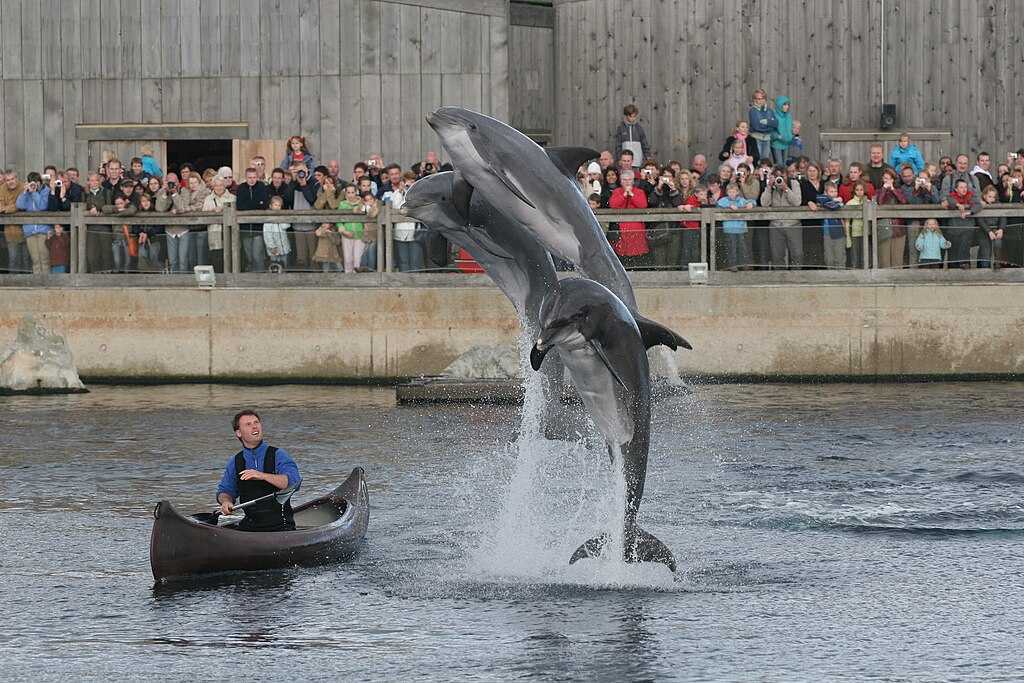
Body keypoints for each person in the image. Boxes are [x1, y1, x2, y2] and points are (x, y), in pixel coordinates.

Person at [216, 410, 300, 532]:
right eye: (248, 424)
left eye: (256, 422)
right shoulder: (235, 461)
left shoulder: (278, 455)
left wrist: (263, 476)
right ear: (239, 433)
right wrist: (226, 502)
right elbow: (225, 491)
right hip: (249, 527)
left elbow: (294, 483)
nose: (254, 426)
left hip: (281, 527)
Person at [759, 164, 802, 269]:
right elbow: (764, 203)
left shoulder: (794, 184)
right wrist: (769, 187)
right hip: (776, 225)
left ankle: (796, 276)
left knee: (797, 254)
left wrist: (786, 189)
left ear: (787, 175)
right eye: (777, 176)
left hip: (793, 224)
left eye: (782, 176)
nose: (779, 179)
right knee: (777, 256)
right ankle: (780, 277)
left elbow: (797, 202)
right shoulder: (771, 186)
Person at [608, 169, 650, 269]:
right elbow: (613, 205)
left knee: (637, 258)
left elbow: (643, 205)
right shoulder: (617, 192)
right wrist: (624, 195)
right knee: (622, 258)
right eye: (624, 180)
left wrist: (632, 195)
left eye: (629, 179)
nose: (627, 182)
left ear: (633, 181)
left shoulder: (639, 192)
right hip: (621, 231)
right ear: (621, 181)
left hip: (636, 231)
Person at [16, 173, 53, 274]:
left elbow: (42, 206)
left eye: (36, 182)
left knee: (45, 259)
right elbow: (20, 206)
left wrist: (35, 193)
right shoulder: (27, 193)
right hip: (30, 230)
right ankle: (37, 281)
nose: (35, 185)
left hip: (43, 230)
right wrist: (24, 193)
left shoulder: (46, 190)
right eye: (32, 182)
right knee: (35, 260)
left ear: (40, 182)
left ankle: (47, 280)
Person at [717, 182, 756, 270]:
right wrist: (729, 205)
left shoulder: (741, 200)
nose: (731, 194)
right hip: (729, 229)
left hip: (741, 229)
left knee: (742, 248)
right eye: (730, 192)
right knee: (731, 248)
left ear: (737, 192)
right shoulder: (725, 200)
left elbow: (752, 201)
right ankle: (732, 266)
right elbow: (718, 203)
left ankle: (743, 265)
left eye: (733, 192)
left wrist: (750, 204)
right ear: (727, 192)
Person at [874, 167, 908, 268]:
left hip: (898, 227)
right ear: (882, 179)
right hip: (883, 227)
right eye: (885, 178)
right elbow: (879, 202)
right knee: (884, 258)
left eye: (890, 178)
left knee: (897, 259)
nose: (887, 181)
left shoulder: (899, 191)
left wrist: (893, 190)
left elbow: (903, 201)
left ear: (893, 180)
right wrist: (884, 189)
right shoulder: (878, 192)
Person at [1, 170, 28, 274]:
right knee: (13, 259)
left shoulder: (23, 187)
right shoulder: (2, 189)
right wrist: (10, 207)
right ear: (5, 181)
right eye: (8, 180)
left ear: (17, 178)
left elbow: (21, 205)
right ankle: (13, 282)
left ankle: (27, 281)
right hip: (10, 231)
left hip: (25, 230)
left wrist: (7, 208)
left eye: (12, 178)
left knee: (26, 259)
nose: (11, 181)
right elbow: (0, 206)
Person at [816, 182, 846, 269]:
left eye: (835, 191)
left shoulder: (838, 202)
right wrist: (834, 200)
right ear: (825, 192)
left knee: (839, 256)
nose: (834, 193)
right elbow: (820, 198)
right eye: (831, 191)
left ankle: (841, 274)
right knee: (828, 257)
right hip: (827, 233)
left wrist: (834, 201)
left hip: (839, 232)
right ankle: (830, 274)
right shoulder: (824, 198)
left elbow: (835, 206)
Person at [977, 185, 1005, 270]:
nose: (992, 199)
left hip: (996, 228)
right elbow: (980, 221)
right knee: (985, 254)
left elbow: (1003, 218)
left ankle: (997, 261)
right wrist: (988, 231)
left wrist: (1001, 229)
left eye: (993, 197)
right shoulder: (980, 205)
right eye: (989, 197)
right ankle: (985, 271)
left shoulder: (999, 205)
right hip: (983, 231)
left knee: (998, 243)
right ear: (984, 196)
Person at [263, 196, 292, 272]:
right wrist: (272, 246)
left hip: (284, 247)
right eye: (275, 205)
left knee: (284, 266)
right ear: (270, 206)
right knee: (274, 266)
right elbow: (267, 235)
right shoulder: (268, 219)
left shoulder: (282, 217)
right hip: (274, 249)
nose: (277, 207)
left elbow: (286, 225)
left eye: (279, 205)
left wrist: (280, 220)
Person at [748, 89, 777, 162]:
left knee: (765, 161)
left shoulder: (769, 111)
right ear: (755, 100)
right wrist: (769, 125)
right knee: (757, 160)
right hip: (757, 138)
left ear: (765, 99)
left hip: (767, 139)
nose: (760, 101)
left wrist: (766, 122)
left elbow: (775, 123)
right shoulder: (753, 111)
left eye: (762, 98)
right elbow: (756, 126)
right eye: (758, 99)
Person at [770, 96, 794, 166]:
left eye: (788, 105)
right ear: (779, 105)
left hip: (786, 144)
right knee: (779, 165)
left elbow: (790, 129)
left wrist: (790, 136)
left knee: (784, 165)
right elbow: (770, 131)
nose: (787, 106)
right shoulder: (774, 116)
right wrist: (777, 136)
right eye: (784, 104)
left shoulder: (789, 117)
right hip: (777, 144)